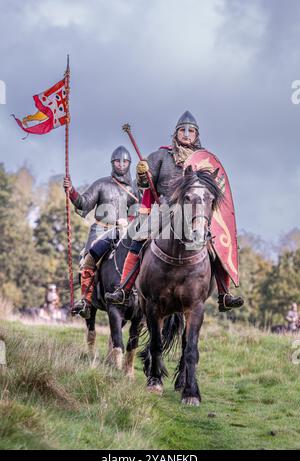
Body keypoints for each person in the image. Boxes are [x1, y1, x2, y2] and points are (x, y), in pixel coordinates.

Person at [105, 111, 244, 312]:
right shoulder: (161, 156)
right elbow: (144, 183)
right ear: (176, 133)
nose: (187, 134)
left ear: (197, 135)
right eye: (183, 130)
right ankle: (124, 289)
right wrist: (142, 173)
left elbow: (213, 187)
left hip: (195, 211)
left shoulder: (204, 160)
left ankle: (224, 295)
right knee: (138, 239)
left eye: (191, 131)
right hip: (165, 209)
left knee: (219, 247)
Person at [63, 145, 139, 318]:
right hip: (100, 230)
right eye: (117, 161)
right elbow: (83, 203)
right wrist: (72, 191)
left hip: (124, 231)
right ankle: (86, 301)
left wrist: (128, 221)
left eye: (124, 161)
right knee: (88, 260)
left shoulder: (134, 190)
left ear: (129, 163)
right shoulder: (101, 184)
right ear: (112, 163)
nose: (121, 164)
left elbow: (138, 211)